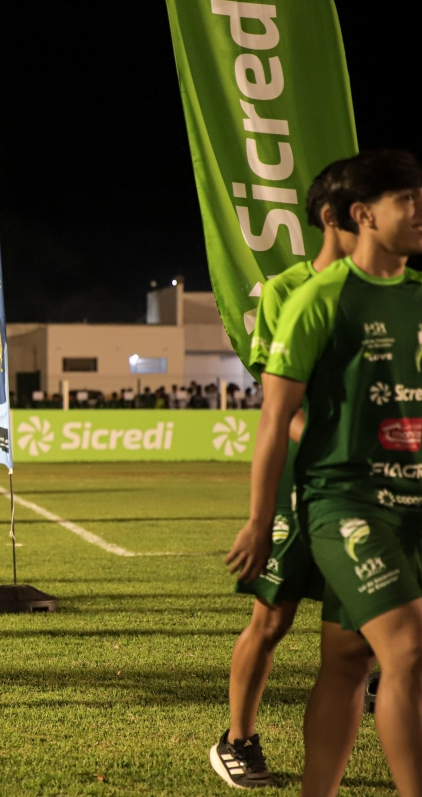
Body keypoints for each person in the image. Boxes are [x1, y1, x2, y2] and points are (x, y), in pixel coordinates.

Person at [227, 150, 422, 796]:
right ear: (358, 215)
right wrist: (260, 520)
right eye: (406, 200)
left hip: (410, 499)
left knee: (346, 658)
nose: (419, 211)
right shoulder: (309, 296)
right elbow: (274, 416)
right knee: (402, 647)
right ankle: (238, 737)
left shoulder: (416, 297)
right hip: (341, 499)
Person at [211, 161, 358, 789]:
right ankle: (237, 739)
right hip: (303, 487)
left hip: (370, 492)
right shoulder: (287, 290)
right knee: (271, 619)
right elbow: (279, 407)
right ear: (335, 216)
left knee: (357, 640)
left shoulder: (394, 291)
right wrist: (336, 449)